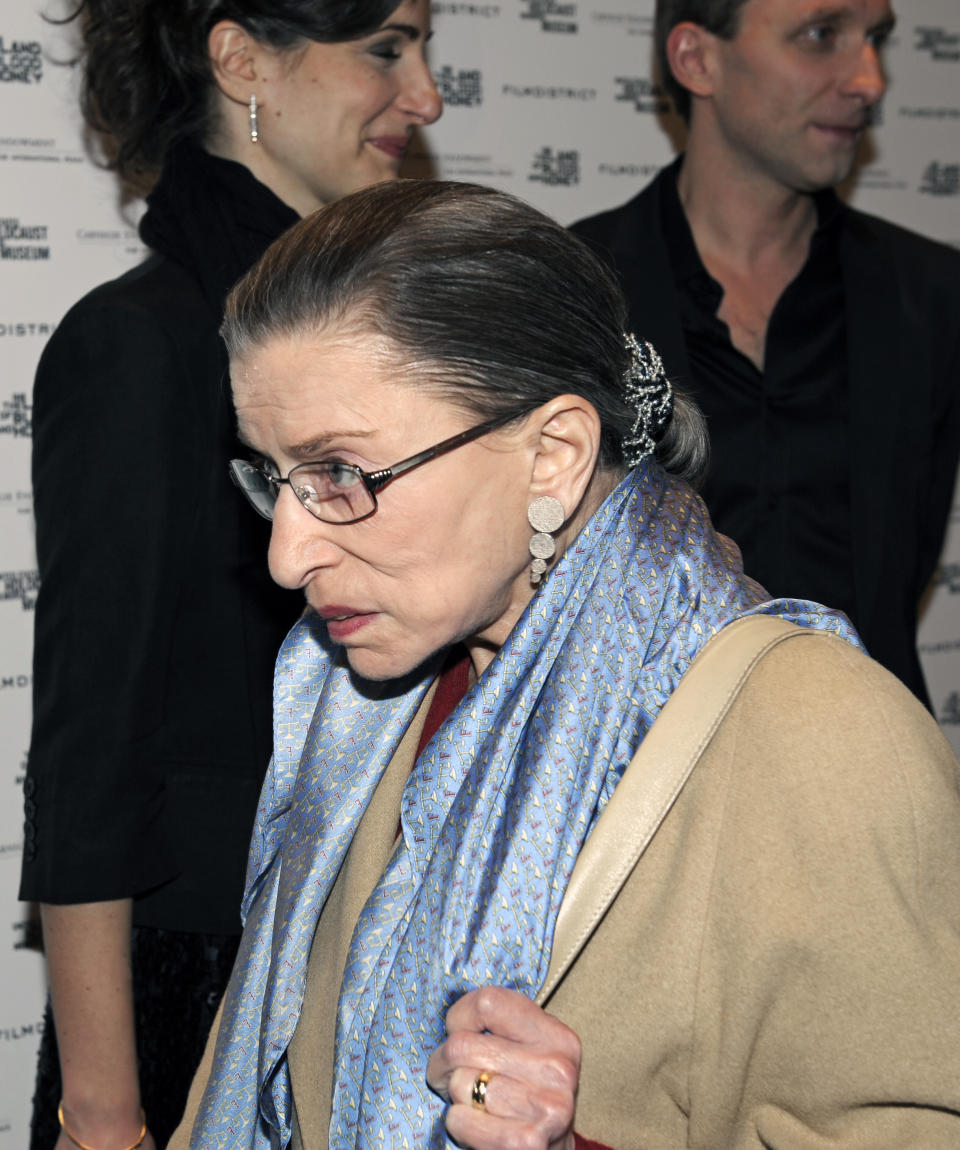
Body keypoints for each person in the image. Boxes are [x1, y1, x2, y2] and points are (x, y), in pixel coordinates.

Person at [166, 180, 960, 1150]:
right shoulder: (354, 709)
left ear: (553, 456)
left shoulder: (822, 735)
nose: (288, 554)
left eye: (342, 473)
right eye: (273, 476)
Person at [19, 3, 441, 1148]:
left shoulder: (399, 350)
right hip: (192, 1002)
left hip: (379, 970)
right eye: (388, 49)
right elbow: (87, 761)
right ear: (243, 59)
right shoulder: (140, 346)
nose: (429, 95)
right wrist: (105, 1112)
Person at [571, 0, 960, 708]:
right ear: (697, 59)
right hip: (639, 789)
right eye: (821, 36)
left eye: (875, 40)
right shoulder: (574, 291)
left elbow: (906, 561)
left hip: (873, 772)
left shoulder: (931, 296)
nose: (869, 79)